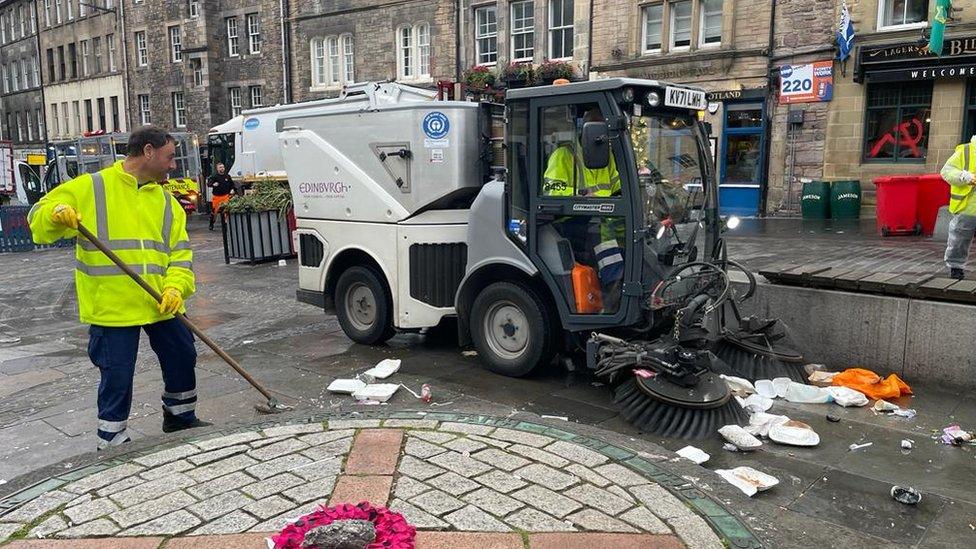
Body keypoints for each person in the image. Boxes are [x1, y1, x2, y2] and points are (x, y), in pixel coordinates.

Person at [28, 126, 211, 450]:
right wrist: (56, 215)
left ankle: (180, 417)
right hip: (112, 306)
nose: (173, 166)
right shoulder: (92, 187)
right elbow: (38, 221)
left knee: (183, 355)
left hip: (160, 301)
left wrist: (175, 290)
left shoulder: (167, 203)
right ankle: (112, 439)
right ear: (148, 151)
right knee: (117, 375)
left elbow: (180, 256)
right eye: (169, 157)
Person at [543, 108, 625, 310]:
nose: (604, 135)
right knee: (610, 253)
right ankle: (613, 307)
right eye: (600, 129)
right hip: (571, 221)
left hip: (603, 218)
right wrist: (582, 195)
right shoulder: (564, 155)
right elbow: (551, 191)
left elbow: (618, 189)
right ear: (588, 131)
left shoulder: (608, 157)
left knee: (634, 242)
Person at [940, 135, 976, 279]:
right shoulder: (966, 150)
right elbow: (946, 171)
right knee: (959, 239)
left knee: (959, 238)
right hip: (967, 206)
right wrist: (964, 176)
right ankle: (956, 268)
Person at [207, 163, 235, 230]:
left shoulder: (227, 176)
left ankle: (225, 224)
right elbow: (209, 184)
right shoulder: (214, 176)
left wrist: (232, 189)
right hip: (217, 197)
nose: (222, 168)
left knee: (226, 210)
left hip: (225, 196)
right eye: (220, 167)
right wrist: (213, 184)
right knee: (214, 212)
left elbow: (232, 184)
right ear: (217, 169)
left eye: (223, 167)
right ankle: (211, 223)